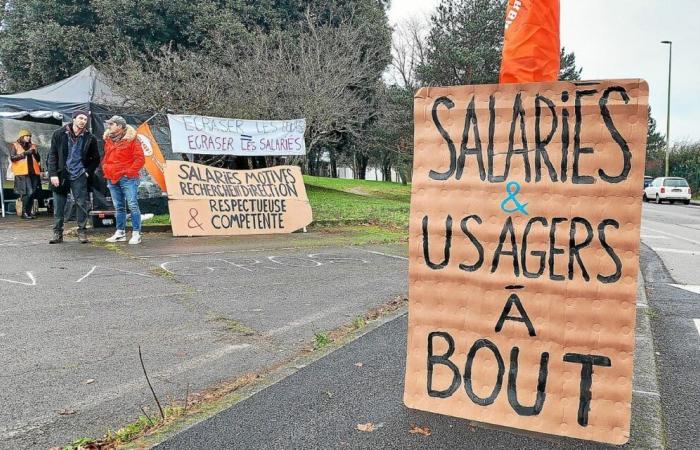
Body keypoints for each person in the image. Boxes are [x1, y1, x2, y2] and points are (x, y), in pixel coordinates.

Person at [47, 111, 100, 244]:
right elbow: (52, 155)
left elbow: (96, 158)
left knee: (81, 204)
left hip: (79, 174)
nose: (83, 121)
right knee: (59, 205)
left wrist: (87, 172)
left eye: (85, 119)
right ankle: (57, 233)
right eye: (81, 118)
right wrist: (53, 174)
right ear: (74, 119)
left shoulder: (90, 137)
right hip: (61, 174)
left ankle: (82, 232)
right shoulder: (59, 133)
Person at [101, 115, 145, 245]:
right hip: (112, 177)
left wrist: (129, 172)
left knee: (132, 205)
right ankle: (120, 232)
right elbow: (107, 156)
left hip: (128, 178)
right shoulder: (108, 139)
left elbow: (140, 159)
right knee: (119, 206)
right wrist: (106, 168)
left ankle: (136, 233)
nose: (109, 126)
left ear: (119, 126)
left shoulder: (132, 140)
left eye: (111, 124)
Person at [9, 129, 41, 219]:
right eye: (27, 136)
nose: (29, 137)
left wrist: (35, 154)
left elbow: (38, 159)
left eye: (30, 136)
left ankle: (28, 212)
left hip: (34, 172)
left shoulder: (33, 146)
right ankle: (24, 213)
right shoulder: (15, 145)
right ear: (21, 137)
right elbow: (12, 158)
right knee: (29, 192)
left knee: (33, 192)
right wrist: (25, 153)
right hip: (22, 172)